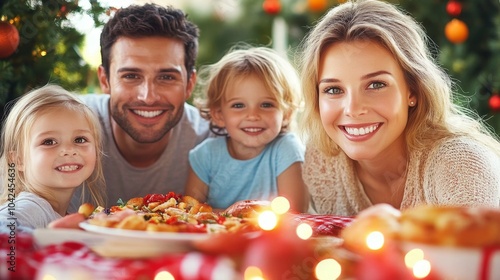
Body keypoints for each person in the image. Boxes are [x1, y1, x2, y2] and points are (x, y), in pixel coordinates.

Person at [297, 0, 500, 216]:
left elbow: (474, 249)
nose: (353, 109)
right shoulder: (322, 159)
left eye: (376, 85)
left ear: (412, 91)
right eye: (333, 89)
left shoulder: (462, 167)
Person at [70, 3, 211, 211]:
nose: (148, 97)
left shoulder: (212, 140)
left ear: (189, 84)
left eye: (166, 77)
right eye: (131, 76)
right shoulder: (62, 126)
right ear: (105, 80)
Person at [185, 46, 308, 212]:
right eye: (238, 105)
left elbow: (294, 213)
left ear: (286, 113)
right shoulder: (205, 156)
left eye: (266, 105)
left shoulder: (286, 149)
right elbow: (190, 213)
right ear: (219, 114)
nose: (252, 115)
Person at [0, 84, 105, 231]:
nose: (69, 150)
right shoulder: (31, 208)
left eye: (80, 139)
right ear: (18, 160)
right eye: (49, 142)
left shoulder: (61, 213)